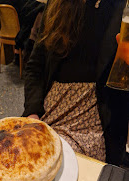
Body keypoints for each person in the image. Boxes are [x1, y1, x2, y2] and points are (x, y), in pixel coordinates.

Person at [23, 0, 129, 165]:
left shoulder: (122, 8)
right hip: (50, 109)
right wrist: (32, 113)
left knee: (68, 168)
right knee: (26, 160)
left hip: (96, 118)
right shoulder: (58, 4)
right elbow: (35, 67)